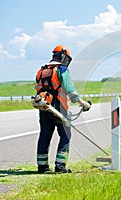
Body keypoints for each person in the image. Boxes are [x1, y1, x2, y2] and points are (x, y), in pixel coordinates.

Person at [35, 45, 91, 173]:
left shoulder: (42, 70)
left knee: (45, 135)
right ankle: (60, 166)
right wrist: (83, 104)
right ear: (63, 57)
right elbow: (69, 90)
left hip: (44, 107)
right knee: (65, 135)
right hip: (59, 107)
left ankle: (42, 166)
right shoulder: (61, 69)